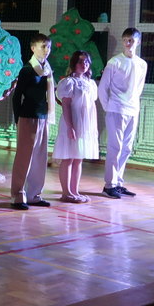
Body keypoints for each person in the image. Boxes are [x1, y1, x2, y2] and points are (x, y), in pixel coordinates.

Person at [97, 27, 147, 199]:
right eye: (125, 40)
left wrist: (133, 105)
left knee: (126, 148)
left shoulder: (142, 64)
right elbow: (103, 87)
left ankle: (118, 182)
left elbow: (138, 88)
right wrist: (109, 107)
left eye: (131, 40)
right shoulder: (114, 62)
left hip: (133, 110)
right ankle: (109, 185)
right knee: (115, 147)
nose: (128, 43)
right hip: (116, 109)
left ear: (138, 42)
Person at [10, 33, 54, 210]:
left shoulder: (48, 70)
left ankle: (34, 195)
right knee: (24, 158)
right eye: (43, 46)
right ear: (33, 48)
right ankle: (18, 195)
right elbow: (17, 97)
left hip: (43, 117)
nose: (46, 50)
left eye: (48, 46)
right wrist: (18, 119)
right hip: (27, 117)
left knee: (40, 158)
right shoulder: (27, 70)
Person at [54, 51, 99, 203]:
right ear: (74, 63)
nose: (84, 64)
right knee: (68, 158)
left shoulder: (90, 83)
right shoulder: (69, 82)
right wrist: (70, 126)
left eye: (86, 62)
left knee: (78, 158)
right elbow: (66, 105)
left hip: (85, 124)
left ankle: (74, 191)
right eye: (80, 61)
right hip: (73, 122)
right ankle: (66, 193)